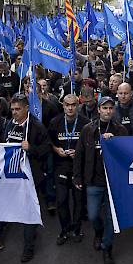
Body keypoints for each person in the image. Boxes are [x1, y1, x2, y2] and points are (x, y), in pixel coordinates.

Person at [0, 94, 50, 263]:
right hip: (10, 173)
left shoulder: (37, 127)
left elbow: (46, 150)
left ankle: (28, 247)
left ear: (26, 108)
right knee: (3, 204)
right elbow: (4, 145)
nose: (14, 112)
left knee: (28, 211)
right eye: (12, 109)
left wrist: (31, 148)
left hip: (29, 176)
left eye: (18, 109)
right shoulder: (10, 124)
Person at [73, 96, 128, 264]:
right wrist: (77, 176)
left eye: (111, 108)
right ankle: (98, 231)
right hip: (93, 181)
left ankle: (107, 248)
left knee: (112, 218)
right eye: (104, 108)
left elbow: (127, 155)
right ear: (98, 109)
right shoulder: (87, 130)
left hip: (113, 183)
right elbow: (79, 154)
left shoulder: (120, 130)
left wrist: (114, 143)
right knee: (93, 215)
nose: (108, 111)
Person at [49, 94, 90, 245]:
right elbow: (50, 142)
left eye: (73, 105)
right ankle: (65, 229)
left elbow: (90, 146)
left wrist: (79, 153)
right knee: (61, 200)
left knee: (79, 201)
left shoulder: (86, 123)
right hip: (61, 166)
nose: (70, 108)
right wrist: (56, 149)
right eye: (67, 105)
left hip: (79, 168)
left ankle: (77, 229)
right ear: (63, 106)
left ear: (78, 106)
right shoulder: (55, 122)